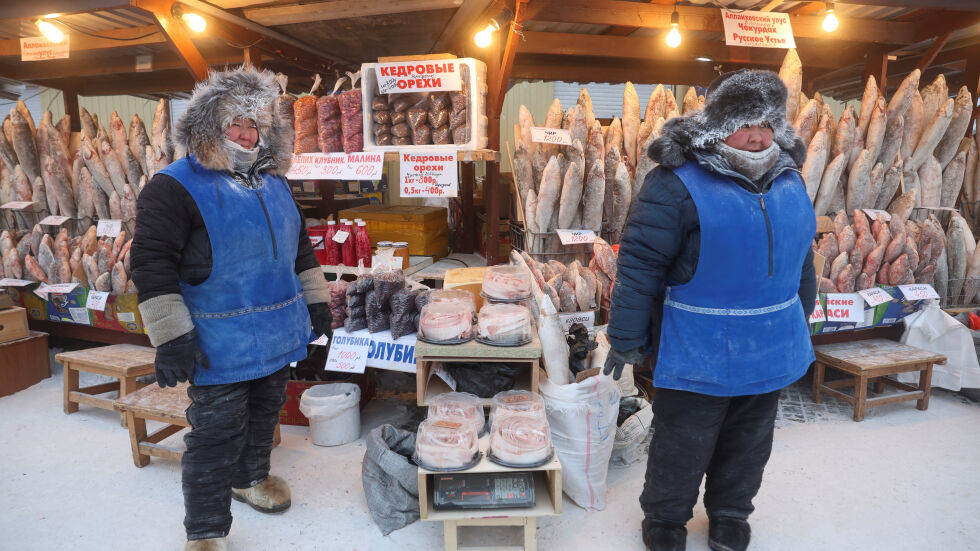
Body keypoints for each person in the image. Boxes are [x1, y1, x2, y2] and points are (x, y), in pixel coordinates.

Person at [603, 70, 817, 551]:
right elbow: (639, 264)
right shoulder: (676, 182)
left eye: (766, 122)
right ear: (720, 123)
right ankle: (664, 520)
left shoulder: (788, 177)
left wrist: (800, 319)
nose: (758, 133)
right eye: (746, 122)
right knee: (683, 443)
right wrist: (626, 336)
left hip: (768, 346)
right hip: (697, 348)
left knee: (750, 442)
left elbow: (801, 256)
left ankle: (729, 513)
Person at [131, 66, 333, 551]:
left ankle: (251, 479)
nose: (246, 135)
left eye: (254, 126)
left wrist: (317, 301)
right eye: (234, 125)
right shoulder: (174, 186)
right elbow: (150, 263)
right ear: (209, 126)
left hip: (276, 331)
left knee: (266, 414)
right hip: (216, 341)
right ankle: (204, 530)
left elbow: (299, 249)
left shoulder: (274, 182)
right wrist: (171, 336)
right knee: (215, 434)